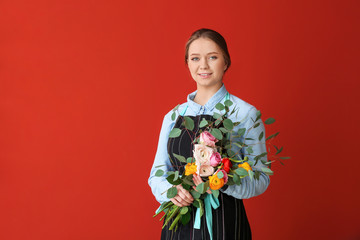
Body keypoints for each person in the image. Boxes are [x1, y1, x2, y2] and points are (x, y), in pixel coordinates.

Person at [148, 28, 270, 240]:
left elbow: (260, 177)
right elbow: (156, 174)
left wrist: (223, 180)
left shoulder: (245, 114)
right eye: (195, 58)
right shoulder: (173, 117)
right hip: (179, 228)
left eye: (212, 57)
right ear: (188, 64)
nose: (203, 65)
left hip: (226, 226)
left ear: (226, 62)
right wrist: (172, 190)